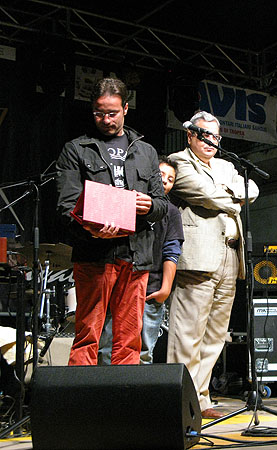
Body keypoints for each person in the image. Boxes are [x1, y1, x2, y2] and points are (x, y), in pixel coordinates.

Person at [56, 77, 167, 366]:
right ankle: (80, 405)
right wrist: (90, 228)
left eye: (112, 113)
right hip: (95, 254)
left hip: (136, 254)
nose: (105, 120)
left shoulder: (146, 151)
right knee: (87, 336)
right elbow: (66, 207)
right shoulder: (77, 149)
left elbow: (163, 206)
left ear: (126, 109)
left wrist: (150, 205)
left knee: (130, 339)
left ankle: (124, 405)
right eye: (98, 113)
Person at [167, 111, 259, 420]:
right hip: (198, 257)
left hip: (230, 256)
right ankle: (181, 399)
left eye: (215, 137)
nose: (210, 141)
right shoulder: (179, 160)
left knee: (216, 334)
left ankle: (201, 395)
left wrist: (227, 191)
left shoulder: (228, 165)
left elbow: (254, 189)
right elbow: (204, 194)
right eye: (204, 135)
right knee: (188, 332)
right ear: (190, 135)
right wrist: (234, 196)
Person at [97, 156, 184, 365]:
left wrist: (165, 289)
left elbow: (172, 250)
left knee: (144, 352)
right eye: (161, 175)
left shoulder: (171, 212)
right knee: (108, 347)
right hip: (121, 285)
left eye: (171, 179)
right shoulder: (128, 202)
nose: (165, 181)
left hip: (151, 290)